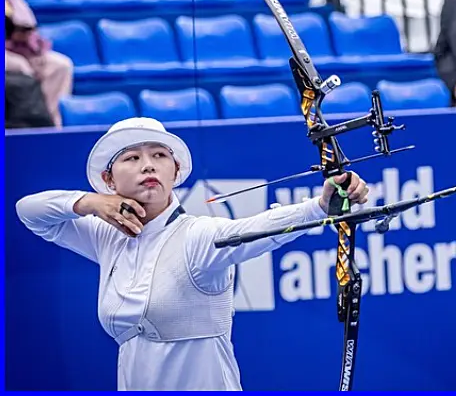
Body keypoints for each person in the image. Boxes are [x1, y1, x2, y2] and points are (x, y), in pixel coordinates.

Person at [15, 117, 370, 391]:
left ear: (176, 171)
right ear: (109, 180)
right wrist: (91, 203)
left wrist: (320, 206)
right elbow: (29, 211)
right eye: (132, 158)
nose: (148, 165)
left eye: (158, 155)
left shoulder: (198, 235)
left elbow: (255, 230)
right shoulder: (107, 236)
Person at [5, 0, 74, 127]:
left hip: (16, 45)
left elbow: (25, 17)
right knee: (20, 67)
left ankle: (51, 128)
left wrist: (22, 30)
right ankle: (26, 126)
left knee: (60, 65)